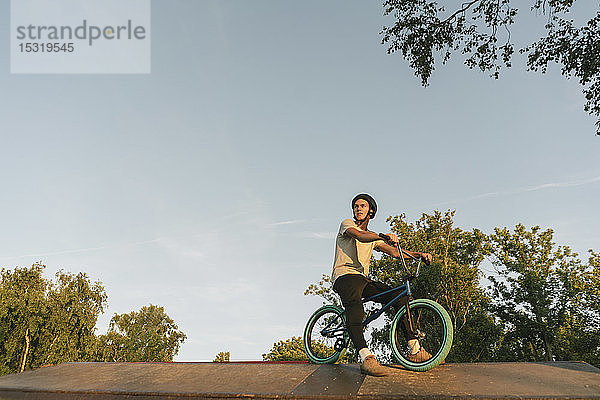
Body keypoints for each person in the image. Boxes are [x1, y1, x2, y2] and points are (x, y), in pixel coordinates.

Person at [331, 193, 433, 377]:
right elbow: (360, 236)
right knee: (356, 310)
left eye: (362, 206)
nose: (358, 208)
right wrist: (383, 236)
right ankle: (365, 358)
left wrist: (419, 254)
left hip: (362, 279)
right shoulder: (347, 224)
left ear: (371, 211)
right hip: (345, 276)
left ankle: (414, 349)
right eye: (356, 206)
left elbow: (394, 252)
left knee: (400, 297)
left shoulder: (374, 238)